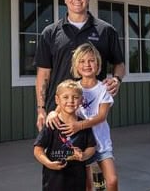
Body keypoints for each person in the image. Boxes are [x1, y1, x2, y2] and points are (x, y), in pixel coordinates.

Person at [35, 0, 125, 132]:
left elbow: (119, 64)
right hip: (57, 112)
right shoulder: (50, 33)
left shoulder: (106, 31)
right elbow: (43, 74)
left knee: (91, 154)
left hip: (91, 112)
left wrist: (117, 79)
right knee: (58, 155)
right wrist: (41, 109)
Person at [47, 43, 118, 191]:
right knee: (87, 185)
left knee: (111, 181)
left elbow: (101, 116)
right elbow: (59, 108)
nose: (87, 64)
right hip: (81, 144)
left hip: (101, 142)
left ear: (97, 64)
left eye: (91, 60)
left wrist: (79, 125)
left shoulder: (103, 88)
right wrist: (52, 113)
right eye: (82, 61)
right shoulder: (73, 87)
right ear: (76, 65)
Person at [34, 79, 96, 191]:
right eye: (65, 97)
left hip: (77, 182)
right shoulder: (51, 124)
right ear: (57, 99)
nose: (71, 101)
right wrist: (48, 163)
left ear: (81, 100)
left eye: (75, 97)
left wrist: (84, 155)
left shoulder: (83, 125)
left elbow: (91, 147)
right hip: (54, 182)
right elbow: (38, 150)